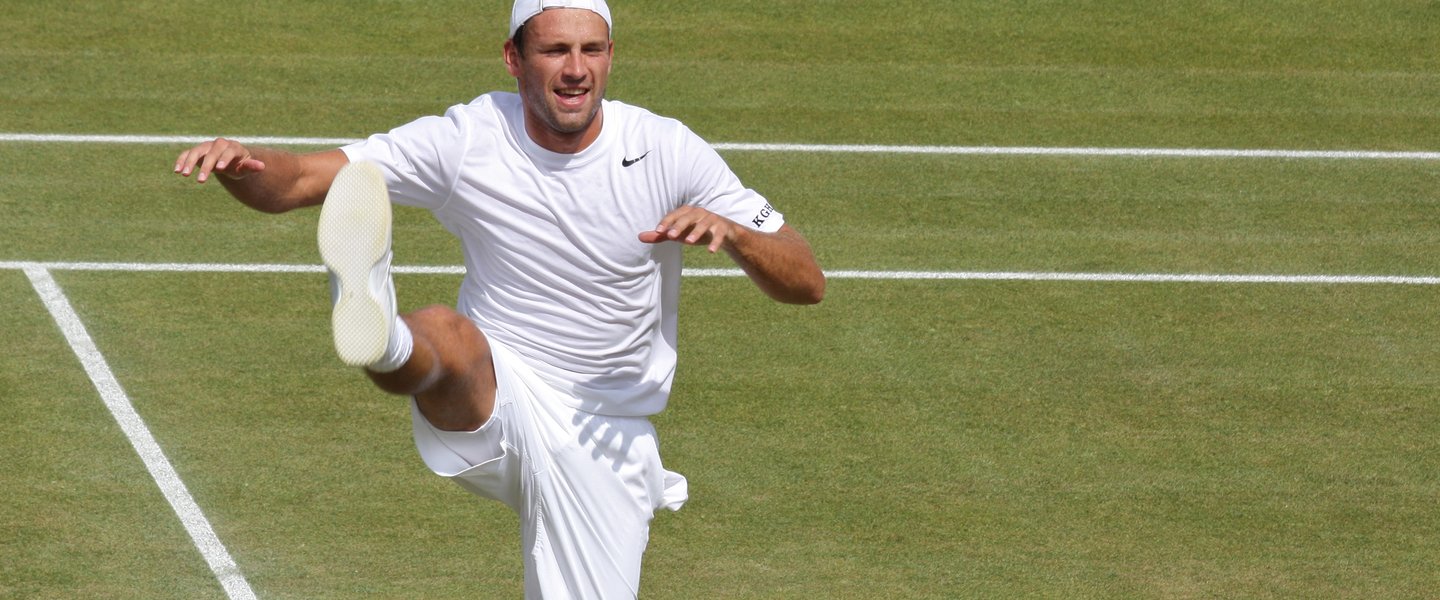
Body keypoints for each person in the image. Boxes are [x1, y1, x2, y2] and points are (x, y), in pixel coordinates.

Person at [173, 0, 825, 597]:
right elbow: (303, 181)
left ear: (610, 56)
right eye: (554, 51)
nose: (576, 70)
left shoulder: (667, 149)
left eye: (592, 50)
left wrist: (736, 234)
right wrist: (242, 162)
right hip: (500, 387)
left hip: (607, 437)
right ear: (513, 58)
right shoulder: (468, 140)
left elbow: (805, 279)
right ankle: (380, 330)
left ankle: (386, 333)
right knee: (445, 334)